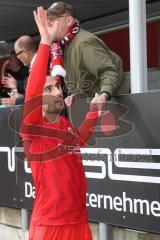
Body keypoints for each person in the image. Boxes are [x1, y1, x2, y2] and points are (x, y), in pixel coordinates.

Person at [20, 7, 105, 240]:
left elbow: (78, 140)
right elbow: (32, 89)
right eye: (48, 88)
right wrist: (46, 42)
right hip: (50, 226)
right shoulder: (32, 126)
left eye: (57, 86)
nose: (57, 91)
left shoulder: (65, 124)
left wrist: (94, 112)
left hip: (79, 220)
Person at [45, 1, 130, 107]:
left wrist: (104, 95)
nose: (47, 26)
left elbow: (109, 72)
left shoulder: (84, 42)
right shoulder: (62, 47)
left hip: (116, 107)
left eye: (51, 21)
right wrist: (75, 95)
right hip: (103, 108)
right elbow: (84, 81)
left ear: (67, 20)